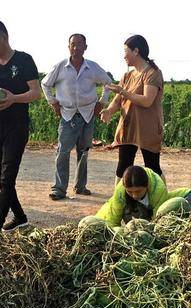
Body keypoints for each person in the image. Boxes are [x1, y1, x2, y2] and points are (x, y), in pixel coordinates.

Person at [0, 20, 41, 235]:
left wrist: (14, 98)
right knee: (0, 177)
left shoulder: (24, 60)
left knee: (8, 177)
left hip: (17, 126)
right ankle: (21, 217)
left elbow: (35, 92)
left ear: (4, 37)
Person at [41, 34, 112, 200]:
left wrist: (102, 102)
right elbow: (45, 84)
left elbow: (108, 83)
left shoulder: (92, 68)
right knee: (63, 152)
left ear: (85, 47)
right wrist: (54, 103)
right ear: (68, 47)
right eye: (73, 44)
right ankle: (59, 188)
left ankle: (80, 186)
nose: (76, 48)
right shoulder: (60, 67)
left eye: (80, 44)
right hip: (68, 114)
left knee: (84, 151)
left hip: (88, 114)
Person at [100, 35, 165, 184]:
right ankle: (119, 201)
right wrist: (109, 110)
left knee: (152, 166)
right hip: (128, 126)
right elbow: (118, 100)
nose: (124, 56)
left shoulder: (152, 73)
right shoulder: (127, 75)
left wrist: (123, 92)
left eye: (125, 51)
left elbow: (147, 100)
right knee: (123, 166)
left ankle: (162, 200)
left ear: (136, 51)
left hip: (147, 128)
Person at [96, 166, 170, 227]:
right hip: (131, 209)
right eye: (130, 192)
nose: (134, 196)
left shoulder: (158, 189)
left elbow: (158, 219)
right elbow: (113, 219)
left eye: (138, 191)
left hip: (150, 212)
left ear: (147, 186)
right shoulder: (120, 190)